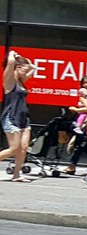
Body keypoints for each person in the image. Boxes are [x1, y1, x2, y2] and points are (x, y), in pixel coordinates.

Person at [0, 50, 37, 182]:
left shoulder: (21, 81)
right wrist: (13, 54)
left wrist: (24, 60)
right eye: (24, 69)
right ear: (17, 67)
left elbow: (33, 67)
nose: (27, 72)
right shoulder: (9, 81)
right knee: (14, 148)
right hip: (11, 116)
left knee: (24, 147)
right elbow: (10, 62)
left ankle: (17, 174)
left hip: (23, 117)